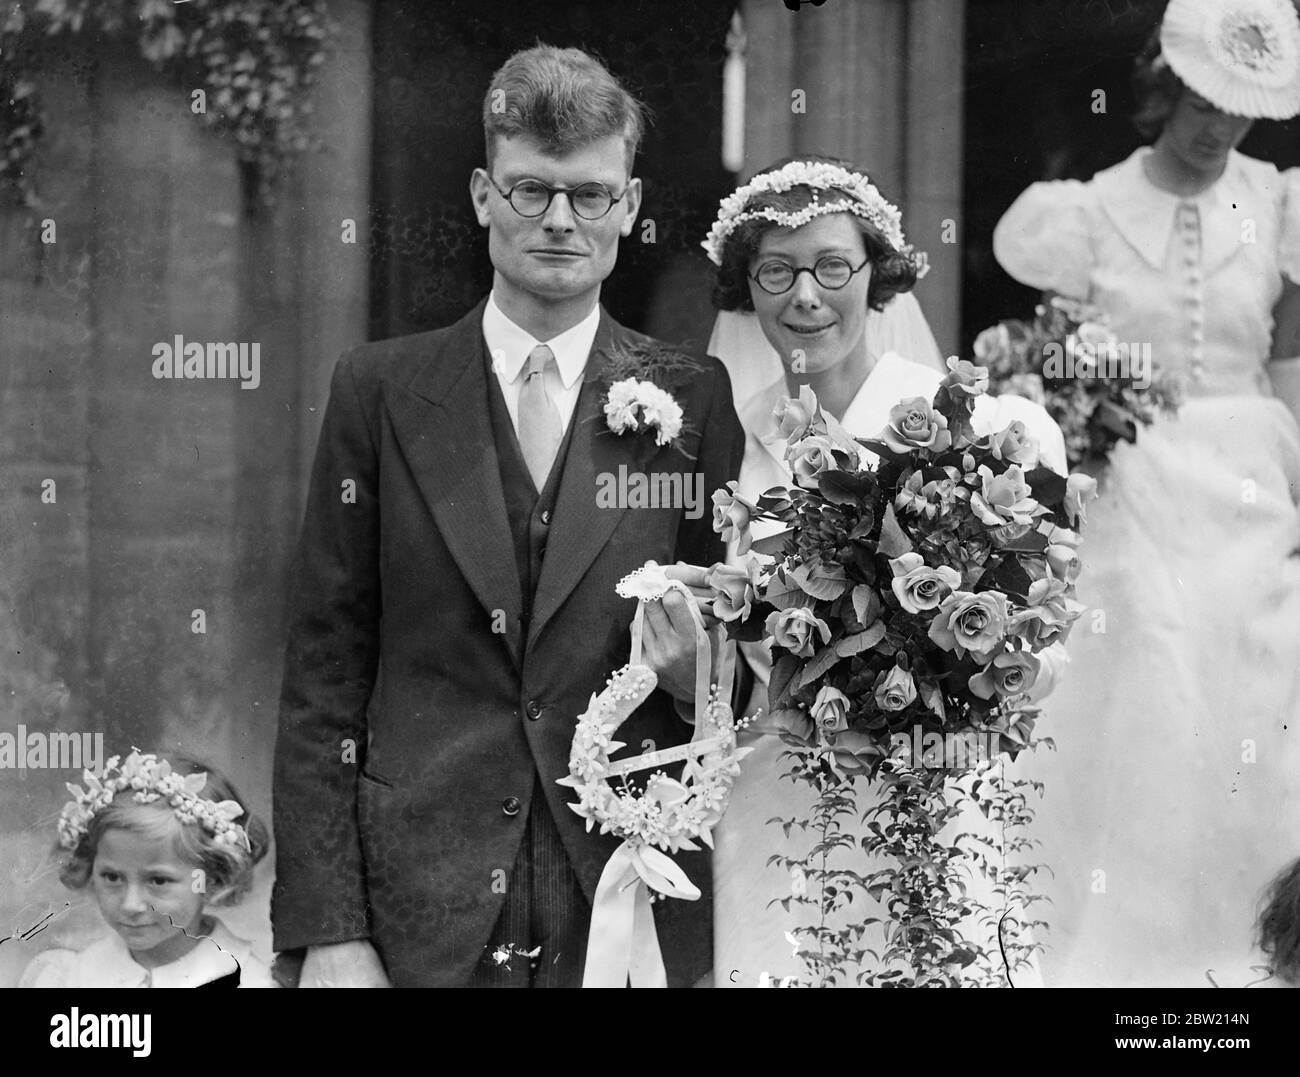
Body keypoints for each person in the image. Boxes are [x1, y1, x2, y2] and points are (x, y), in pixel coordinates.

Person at [270, 44, 745, 988]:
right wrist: (330, 927)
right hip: (418, 901)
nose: (561, 220)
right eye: (532, 189)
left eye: (590, 194)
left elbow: (729, 658)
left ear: (631, 208)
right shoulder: (379, 390)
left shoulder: (692, 396)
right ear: (484, 195)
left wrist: (700, 678)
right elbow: (325, 672)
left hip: (619, 887)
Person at [688, 155, 1068, 986]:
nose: (806, 296)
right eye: (776, 271)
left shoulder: (971, 426)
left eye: (832, 266)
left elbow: (1043, 647)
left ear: (877, 274)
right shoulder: (732, 446)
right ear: (746, 289)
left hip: (931, 789)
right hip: (779, 796)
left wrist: (954, 694)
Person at [992, 0, 1300, 987]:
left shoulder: (1282, 201)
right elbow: (1051, 368)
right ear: (1162, 88)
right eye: (1203, 102)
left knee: (1260, 692)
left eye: (1241, 111)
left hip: (1251, 479)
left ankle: (1255, 952)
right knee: (1147, 699)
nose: (1219, 128)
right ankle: (1134, 959)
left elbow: (1288, 362)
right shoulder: (1083, 212)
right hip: (1130, 484)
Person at [19, 750, 272, 988]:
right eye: (112, 877)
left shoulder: (248, 980)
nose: (131, 905)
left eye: (158, 881)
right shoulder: (72, 977)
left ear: (213, 879)